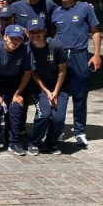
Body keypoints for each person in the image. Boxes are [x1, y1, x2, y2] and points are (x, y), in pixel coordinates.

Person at [52, 0, 101, 146]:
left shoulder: (85, 9)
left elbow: (95, 31)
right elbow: (51, 35)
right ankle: (58, 129)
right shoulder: (55, 11)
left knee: (80, 96)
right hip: (61, 58)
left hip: (80, 56)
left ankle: (80, 131)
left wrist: (96, 55)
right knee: (60, 94)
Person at [0, 24, 33, 156]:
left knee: (15, 109)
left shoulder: (25, 50)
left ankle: (14, 142)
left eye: (18, 39)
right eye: (12, 38)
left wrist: (17, 94)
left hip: (15, 83)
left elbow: (28, 73)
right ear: (5, 37)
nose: (15, 42)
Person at [26, 17, 68, 155]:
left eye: (38, 31)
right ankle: (34, 142)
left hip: (59, 86)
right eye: (32, 32)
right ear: (27, 33)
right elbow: (32, 74)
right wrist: (47, 92)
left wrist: (55, 91)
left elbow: (62, 71)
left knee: (58, 118)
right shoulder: (27, 48)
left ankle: (51, 143)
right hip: (40, 86)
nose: (35, 34)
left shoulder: (56, 46)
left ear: (44, 31)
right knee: (44, 114)